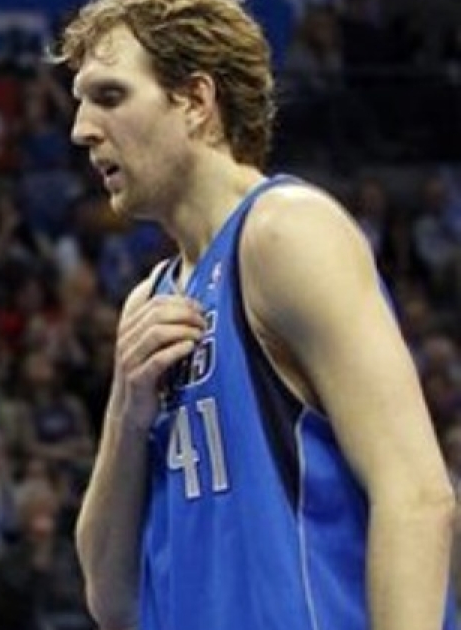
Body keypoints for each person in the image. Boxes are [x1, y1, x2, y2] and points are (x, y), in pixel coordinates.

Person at [56, 1, 457, 630]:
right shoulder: (149, 301)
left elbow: (416, 494)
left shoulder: (285, 232)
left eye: (110, 96)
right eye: (81, 102)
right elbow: (111, 597)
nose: (82, 129)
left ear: (195, 100)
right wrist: (126, 413)